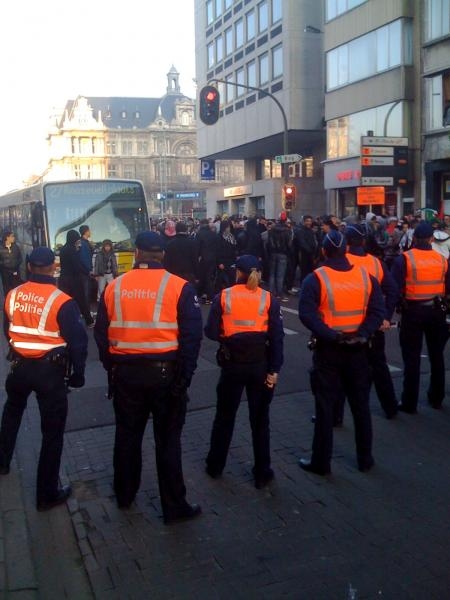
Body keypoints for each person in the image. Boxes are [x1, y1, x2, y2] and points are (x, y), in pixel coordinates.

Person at [94, 231, 203, 523]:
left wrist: (111, 366)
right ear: (162, 255)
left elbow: (101, 335)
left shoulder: (115, 287)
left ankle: (125, 495)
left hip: (126, 375)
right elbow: (192, 338)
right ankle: (174, 507)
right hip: (166, 377)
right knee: (168, 441)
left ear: (137, 254)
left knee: (127, 436)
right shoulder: (179, 287)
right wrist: (185, 377)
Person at [0, 247, 87, 510]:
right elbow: (78, 343)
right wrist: (78, 374)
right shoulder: (62, 301)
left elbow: (8, 330)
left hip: (19, 367)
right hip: (49, 373)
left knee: (12, 412)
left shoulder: (13, 294)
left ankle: (2, 461)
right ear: (53, 267)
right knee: (52, 433)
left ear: (29, 267)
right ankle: (46, 494)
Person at [298, 230, 385, 475]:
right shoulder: (366, 277)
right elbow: (377, 311)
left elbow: (307, 315)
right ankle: (365, 459)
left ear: (323, 251)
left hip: (329, 349)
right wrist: (363, 334)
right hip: (358, 349)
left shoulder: (316, 278)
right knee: (361, 406)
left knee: (325, 407)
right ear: (346, 250)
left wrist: (330, 335)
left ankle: (321, 462)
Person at [204, 255, 284, 488]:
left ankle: (215, 466)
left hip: (232, 364)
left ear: (238, 272)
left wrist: (229, 338)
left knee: (224, 417)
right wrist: (274, 369)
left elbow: (210, 331)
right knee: (260, 420)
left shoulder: (224, 296)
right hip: (260, 364)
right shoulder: (268, 298)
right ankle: (262, 472)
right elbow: (277, 338)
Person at [391, 222, 450, 413]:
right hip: (437, 312)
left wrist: (389, 313)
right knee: (437, 356)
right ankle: (436, 398)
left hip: (413, 312)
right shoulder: (442, 260)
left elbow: (394, 289)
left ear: (414, 238)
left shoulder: (404, 259)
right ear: (432, 239)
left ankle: (409, 403)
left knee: (412, 358)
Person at [345, 224, 400, 419]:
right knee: (379, 366)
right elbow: (393, 290)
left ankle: (336, 416)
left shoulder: (341, 261)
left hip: (348, 326)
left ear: (347, 242)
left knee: (342, 371)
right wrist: (385, 316)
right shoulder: (376, 263)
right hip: (374, 323)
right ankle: (390, 407)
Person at [59, 230, 95, 327]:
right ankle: (89, 321)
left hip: (63, 278)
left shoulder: (63, 249)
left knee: (64, 301)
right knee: (81, 300)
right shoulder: (72, 249)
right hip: (74, 279)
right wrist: (86, 271)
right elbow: (77, 265)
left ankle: (62, 322)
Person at [267, 212, 292, 301]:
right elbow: (289, 244)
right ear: (285, 220)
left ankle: (270, 293)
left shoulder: (272, 229)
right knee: (280, 275)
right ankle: (279, 294)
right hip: (283, 254)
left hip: (273, 253)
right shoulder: (287, 230)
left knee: (272, 274)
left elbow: (269, 243)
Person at [78, 225, 94, 322]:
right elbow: (84, 258)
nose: (90, 232)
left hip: (84, 271)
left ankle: (85, 311)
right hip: (84, 272)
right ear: (86, 232)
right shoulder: (83, 243)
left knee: (85, 292)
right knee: (85, 293)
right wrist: (89, 269)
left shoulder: (84, 242)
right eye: (89, 230)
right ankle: (86, 312)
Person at [0, 231, 23, 296]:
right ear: (7, 237)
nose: (14, 238)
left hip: (15, 272)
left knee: (17, 288)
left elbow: (20, 258)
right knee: (7, 290)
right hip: (5, 274)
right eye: (12, 236)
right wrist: (5, 264)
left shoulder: (16, 247)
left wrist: (16, 264)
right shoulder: (1, 248)